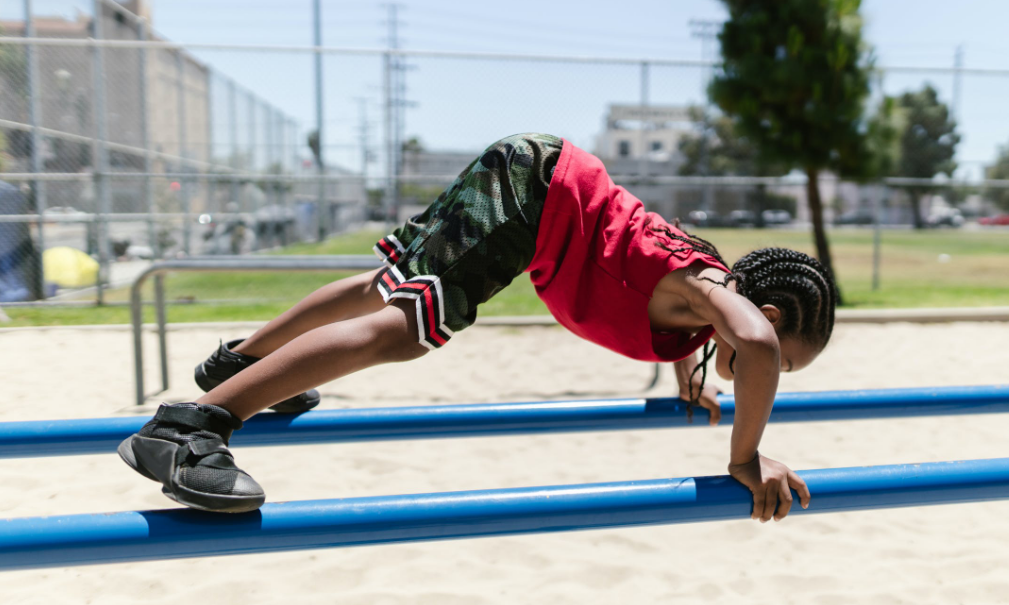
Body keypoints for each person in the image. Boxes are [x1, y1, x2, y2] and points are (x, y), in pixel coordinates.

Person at [119, 133, 837, 520]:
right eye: (786, 365)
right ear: (765, 314)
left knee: (386, 288)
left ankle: (236, 363)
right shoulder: (713, 293)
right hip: (536, 196)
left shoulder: (703, 300)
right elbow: (759, 344)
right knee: (404, 327)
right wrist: (746, 456)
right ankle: (189, 428)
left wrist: (690, 377)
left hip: (537, 174)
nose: (769, 370)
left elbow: (724, 330)